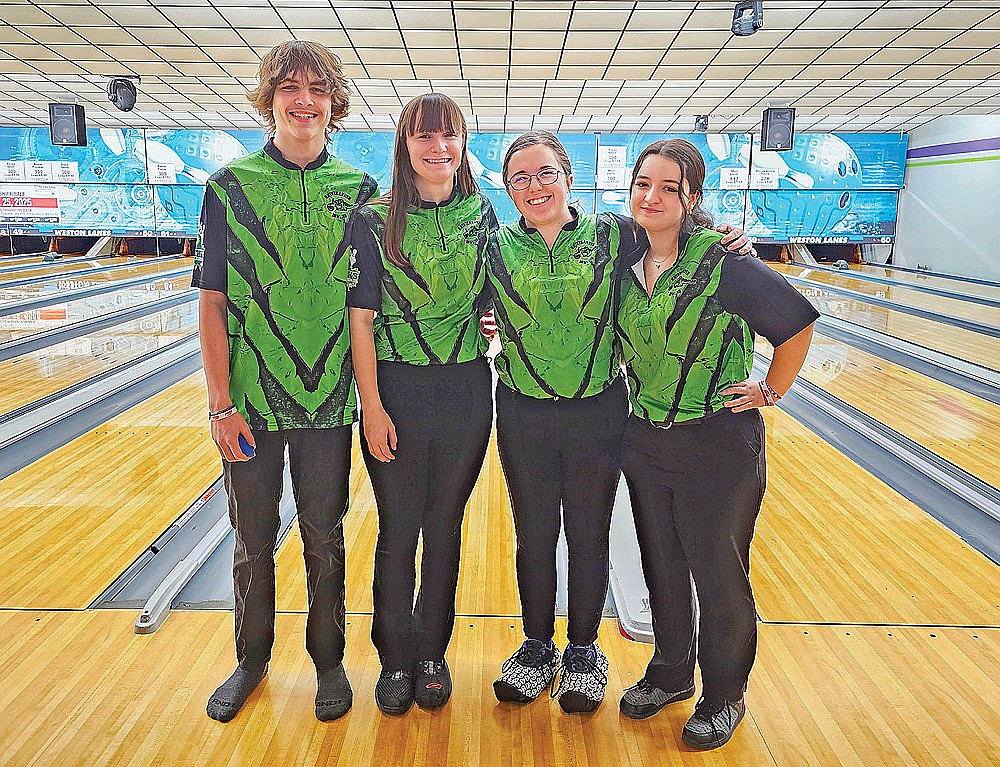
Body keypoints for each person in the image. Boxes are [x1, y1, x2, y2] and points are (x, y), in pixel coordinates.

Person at [485, 131, 752, 714]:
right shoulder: (494, 247)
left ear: (569, 177)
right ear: (507, 189)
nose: (535, 186)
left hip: (599, 413)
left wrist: (732, 238)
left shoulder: (614, 234)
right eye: (520, 178)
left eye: (546, 173)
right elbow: (470, 308)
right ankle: (535, 647)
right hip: (524, 411)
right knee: (533, 535)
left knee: (587, 533)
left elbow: (676, 239)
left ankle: (583, 650)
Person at [192, 40, 378, 723]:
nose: (305, 100)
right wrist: (219, 403)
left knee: (326, 534)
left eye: (318, 89)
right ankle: (250, 658)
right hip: (250, 406)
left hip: (330, 403)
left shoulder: (360, 194)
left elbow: (379, 300)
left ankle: (330, 660)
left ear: (333, 104)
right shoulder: (228, 188)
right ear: (268, 98)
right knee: (252, 539)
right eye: (290, 88)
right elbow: (211, 301)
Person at [614, 139, 817, 749]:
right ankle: (673, 671)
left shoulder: (722, 263)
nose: (651, 196)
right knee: (663, 565)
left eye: (668, 188)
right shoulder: (624, 254)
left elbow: (798, 321)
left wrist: (770, 389)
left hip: (719, 446)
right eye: (642, 183)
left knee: (718, 572)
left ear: (692, 199)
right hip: (647, 440)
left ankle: (724, 694)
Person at [346, 93, 494, 715]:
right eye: (424, 138)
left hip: (463, 391)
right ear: (405, 147)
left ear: (462, 146)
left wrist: (707, 230)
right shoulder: (373, 219)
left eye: (449, 137)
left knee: (444, 531)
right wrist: (372, 403)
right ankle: (395, 658)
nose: (438, 149)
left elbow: (501, 294)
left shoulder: (483, 215)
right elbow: (360, 318)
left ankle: (432, 653)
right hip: (397, 393)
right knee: (398, 530)